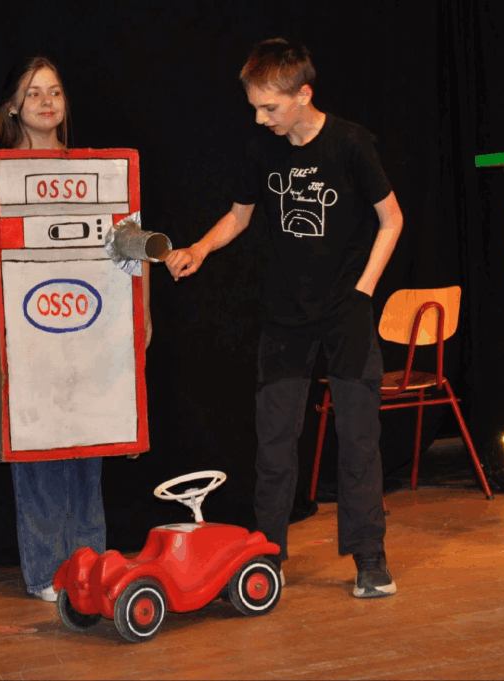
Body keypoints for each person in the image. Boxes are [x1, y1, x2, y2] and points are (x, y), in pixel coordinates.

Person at [165, 38, 403, 598]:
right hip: (284, 318)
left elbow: (391, 220)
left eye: (269, 107)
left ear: (303, 94)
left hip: (345, 314)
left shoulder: (351, 144)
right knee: (274, 445)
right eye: (254, 107)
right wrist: (199, 248)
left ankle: (369, 558)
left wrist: (364, 290)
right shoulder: (261, 150)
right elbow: (239, 215)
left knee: (359, 441)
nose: (260, 118)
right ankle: (266, 556)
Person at [0, 56, 152, 601]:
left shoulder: (100, 172)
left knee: (87, 451)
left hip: (89, 341)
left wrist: (142, 314)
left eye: (54, 92)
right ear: (13, 107)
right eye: (33, 93)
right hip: (27, 343)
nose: (46, 102)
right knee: (38, 455)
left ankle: (91, 569)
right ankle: (47, 574)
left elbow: (133, 246)